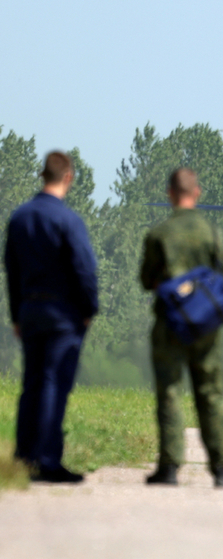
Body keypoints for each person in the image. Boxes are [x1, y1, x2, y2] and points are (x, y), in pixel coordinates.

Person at [140, 168, 223, 488]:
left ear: (170, 194)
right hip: (206, 325)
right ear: (196, 192)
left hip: (170, 323)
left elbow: (146, 280)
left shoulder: (159, 235)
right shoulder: (211, 232)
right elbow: (220, 272)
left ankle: (169, 467)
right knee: (210, 393)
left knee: (169, 392)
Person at [4, 151, 98, 483]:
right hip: (62, 315)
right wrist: (89, 309)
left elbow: (11, 272)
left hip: (29, 310)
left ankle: (24, 455)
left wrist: (16, 314)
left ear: (43, 175)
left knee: (32, 382)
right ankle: (46, 460)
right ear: (68, 177)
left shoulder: (20, 218)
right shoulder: (68, 221)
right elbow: (84, 269)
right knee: (53, 383)